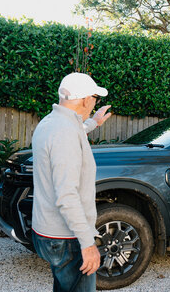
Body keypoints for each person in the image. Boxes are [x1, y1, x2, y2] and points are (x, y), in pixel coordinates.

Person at [31, 72, 112, 292]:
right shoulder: (65, 132)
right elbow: (67, 194)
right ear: (86, 99)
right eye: (95, 97)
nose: (95, 102)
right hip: (67, 237)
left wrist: (93, 123)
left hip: (48, 232)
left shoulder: (51, 123)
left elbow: (72, 133)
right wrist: (87, 243)